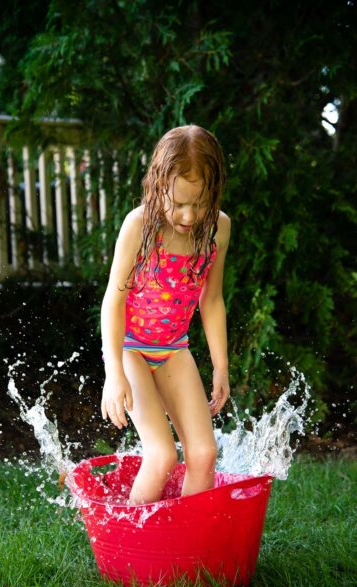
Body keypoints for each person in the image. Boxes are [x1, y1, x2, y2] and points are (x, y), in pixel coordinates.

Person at [100, 124, 231, 505]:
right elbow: (113, 300)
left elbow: (212, 299)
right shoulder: (139, 227)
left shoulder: (218, 230)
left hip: (174, 350)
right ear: (158, 185)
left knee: (204, 455)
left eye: (200, 203)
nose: (189, 215)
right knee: (161, 456)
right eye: (178, 202)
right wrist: (114, 374)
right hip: (131, 350)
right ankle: (126, 546)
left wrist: (220, 366)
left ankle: (187, 559)